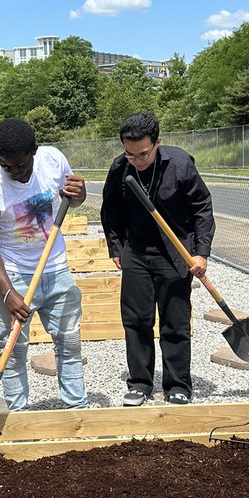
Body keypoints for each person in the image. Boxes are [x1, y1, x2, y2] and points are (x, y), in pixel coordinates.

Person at [0, 118, 89, 411]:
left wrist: (80, 195)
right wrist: (7, 292)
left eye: (21, 165)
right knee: (13, 351)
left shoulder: (53, 161)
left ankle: (77, 411)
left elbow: (71, 202)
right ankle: (18, 415)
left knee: (69, 344)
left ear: (34, 153)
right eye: (6, 165)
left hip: (57, 269)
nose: (14, 172)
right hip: (14, 275)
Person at [101, 110, 215, 406]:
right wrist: (117, 248)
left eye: (142, 154)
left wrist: (200, 253)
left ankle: (178, 384)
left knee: (175, 321)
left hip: (175, 252)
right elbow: (110, 211)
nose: (136, 160)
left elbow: (202, 208)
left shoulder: (179, 165)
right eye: (130, 154)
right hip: (136, 251)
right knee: (136, 319)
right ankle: (139, 382)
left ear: (157, 143)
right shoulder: (120, 169)